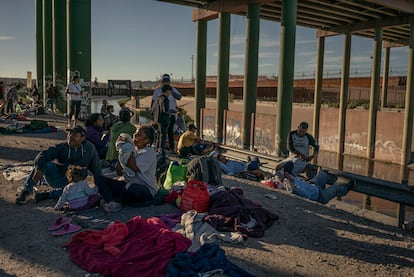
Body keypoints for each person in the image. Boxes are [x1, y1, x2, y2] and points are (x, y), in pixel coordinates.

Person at [15, 126, 102, 204]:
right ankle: (26, 192)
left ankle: (46, 195)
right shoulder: (62, 146)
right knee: (44, 164)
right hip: (58, 178)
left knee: (78, 187)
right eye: (69, 134)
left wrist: (102, 186)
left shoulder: (90, 148)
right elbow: (43, 154)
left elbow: (96, 168)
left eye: (75, 135)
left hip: (75, 182)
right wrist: (39, 169)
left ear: (83, 138)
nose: (70, 137)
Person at [95, 125, 158, 212]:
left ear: (146, 140)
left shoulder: (149, 152)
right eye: (135, 134)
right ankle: (112, 202)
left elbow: (134, 168)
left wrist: (130, 150)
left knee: (130, 187)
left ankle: (117, 200)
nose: (134, 136)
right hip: (127, 185)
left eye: (138, 135)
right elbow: (119, 172)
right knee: (99, 179)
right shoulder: (130, 149)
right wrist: (122, 151)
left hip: (145, 190)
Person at [276, 168, 354, 204]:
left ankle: (333, 180)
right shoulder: (293, 189)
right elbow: (308, 196)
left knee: (323, 174)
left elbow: (300, 181)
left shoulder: (290, 179)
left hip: (312, 185)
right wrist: (294, 186)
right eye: (285, 174)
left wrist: (306, 182)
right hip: (319, 196)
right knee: (337, 189)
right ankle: (346, 188)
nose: (287, 174)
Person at [151, 74, 182, 153]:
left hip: (171, 115)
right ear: (162, 81)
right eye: (165, 81)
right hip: (162, 115)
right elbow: (153, 103)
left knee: (170, 132)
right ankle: (160, 149)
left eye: (167, 81)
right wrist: (152, 114)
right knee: (160, 133)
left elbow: (179, 97)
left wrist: (170, 91)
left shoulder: (172, 89)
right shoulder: (157, 90)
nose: (166, 82)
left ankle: (171, 148)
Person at [152, 84, 171, 153]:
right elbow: (165, 110)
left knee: (158, 135)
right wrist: (172, 112)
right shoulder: (165, 99)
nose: (170, 93)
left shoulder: (157, 98)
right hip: (164, 120)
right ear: (167, 91)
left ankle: (157, 149)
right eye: (170, 92)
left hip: (156, 120)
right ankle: (161, 151)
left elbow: (153, 109)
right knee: (163, 136)